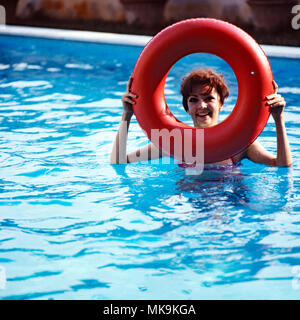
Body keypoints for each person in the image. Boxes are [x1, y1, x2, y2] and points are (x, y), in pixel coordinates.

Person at [110, 68, 292, 167]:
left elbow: (282, 165)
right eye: (194, 100)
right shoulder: (176, 142)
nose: (202, 106)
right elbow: (118, 161)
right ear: (187, 108)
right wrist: (127, 115)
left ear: (221, 104)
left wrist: (278, 119)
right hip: (188, 205)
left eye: (209, 98)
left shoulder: (239, 143)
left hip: (230, 203)